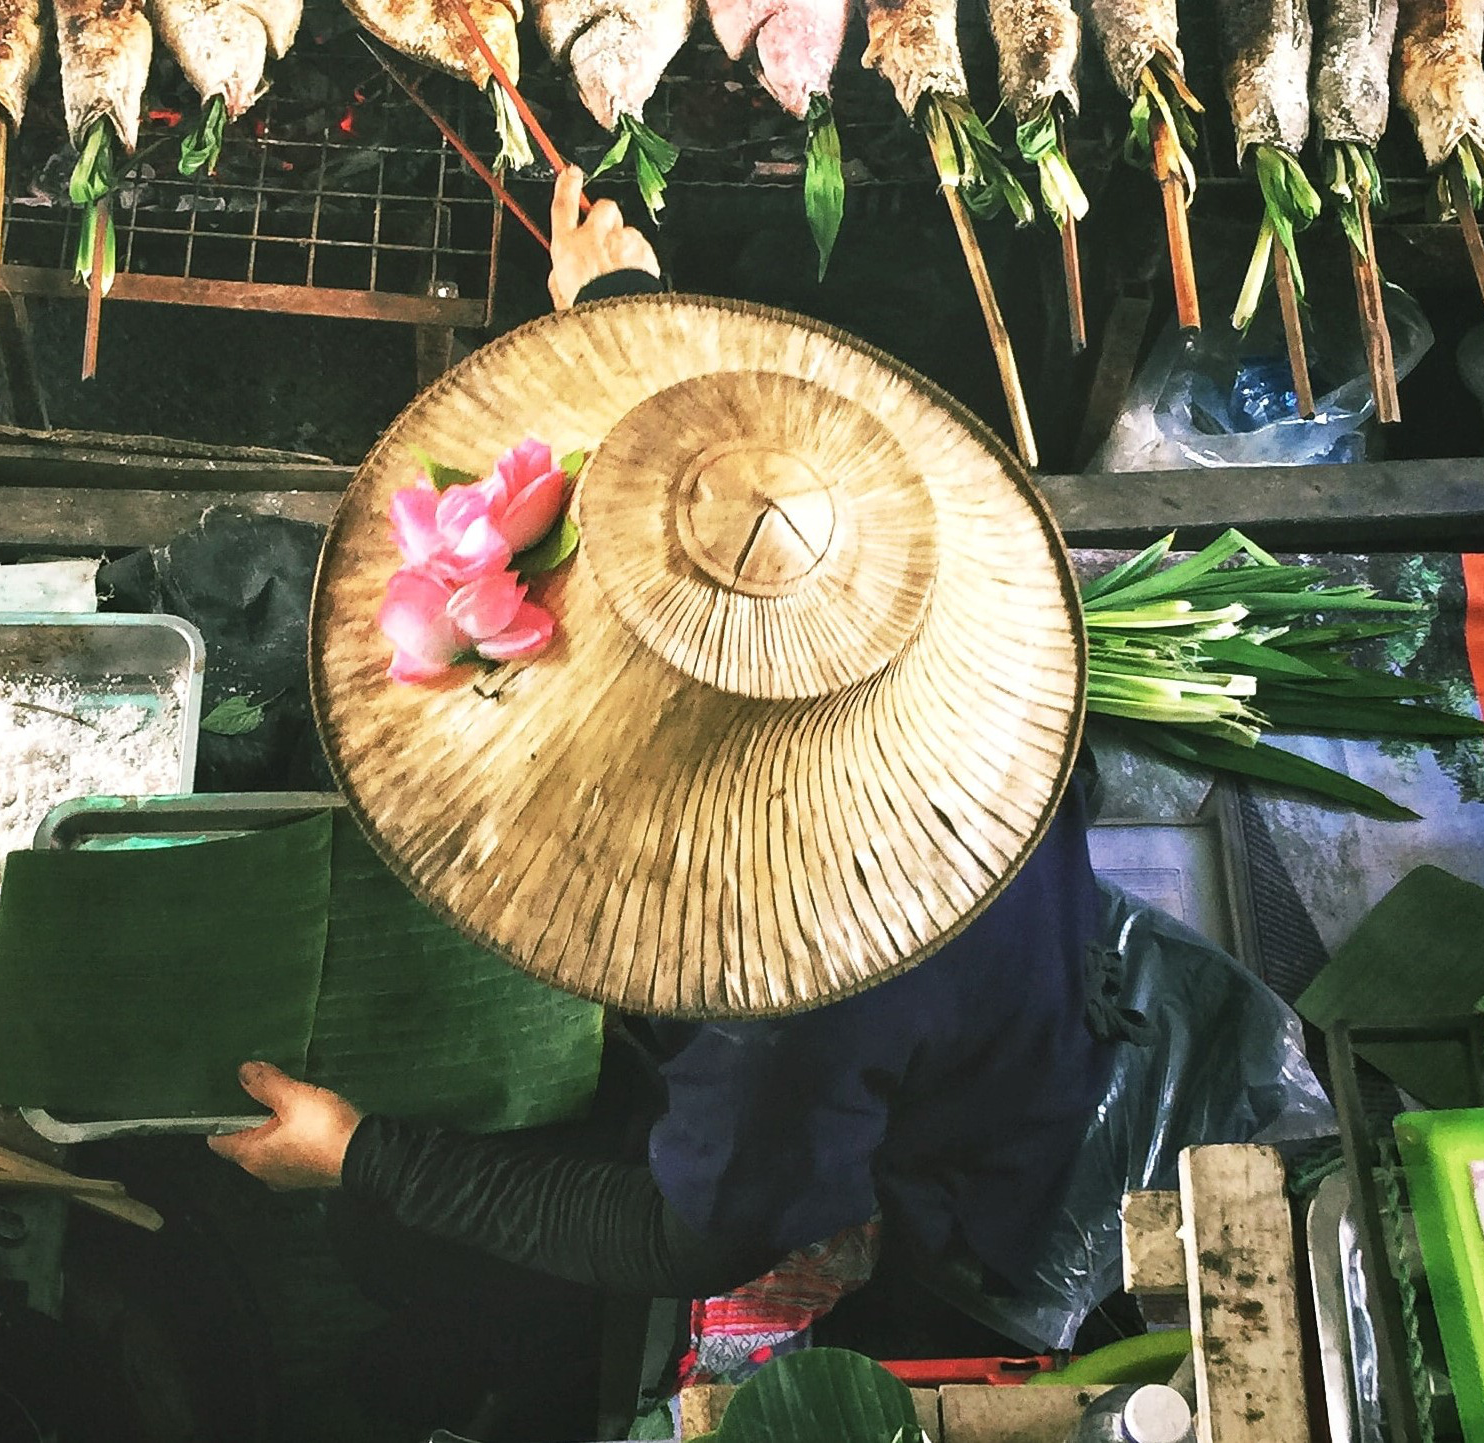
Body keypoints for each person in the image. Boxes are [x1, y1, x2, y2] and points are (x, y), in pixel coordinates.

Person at [211, 167, 1111, 1439]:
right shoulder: (884, 542)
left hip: (976, 1149)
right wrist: (620, 305)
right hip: (981, 945)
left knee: (416, 1261)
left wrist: (361, 1154)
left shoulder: (776, 993)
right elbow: (735, 516)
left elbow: (678, 1234)